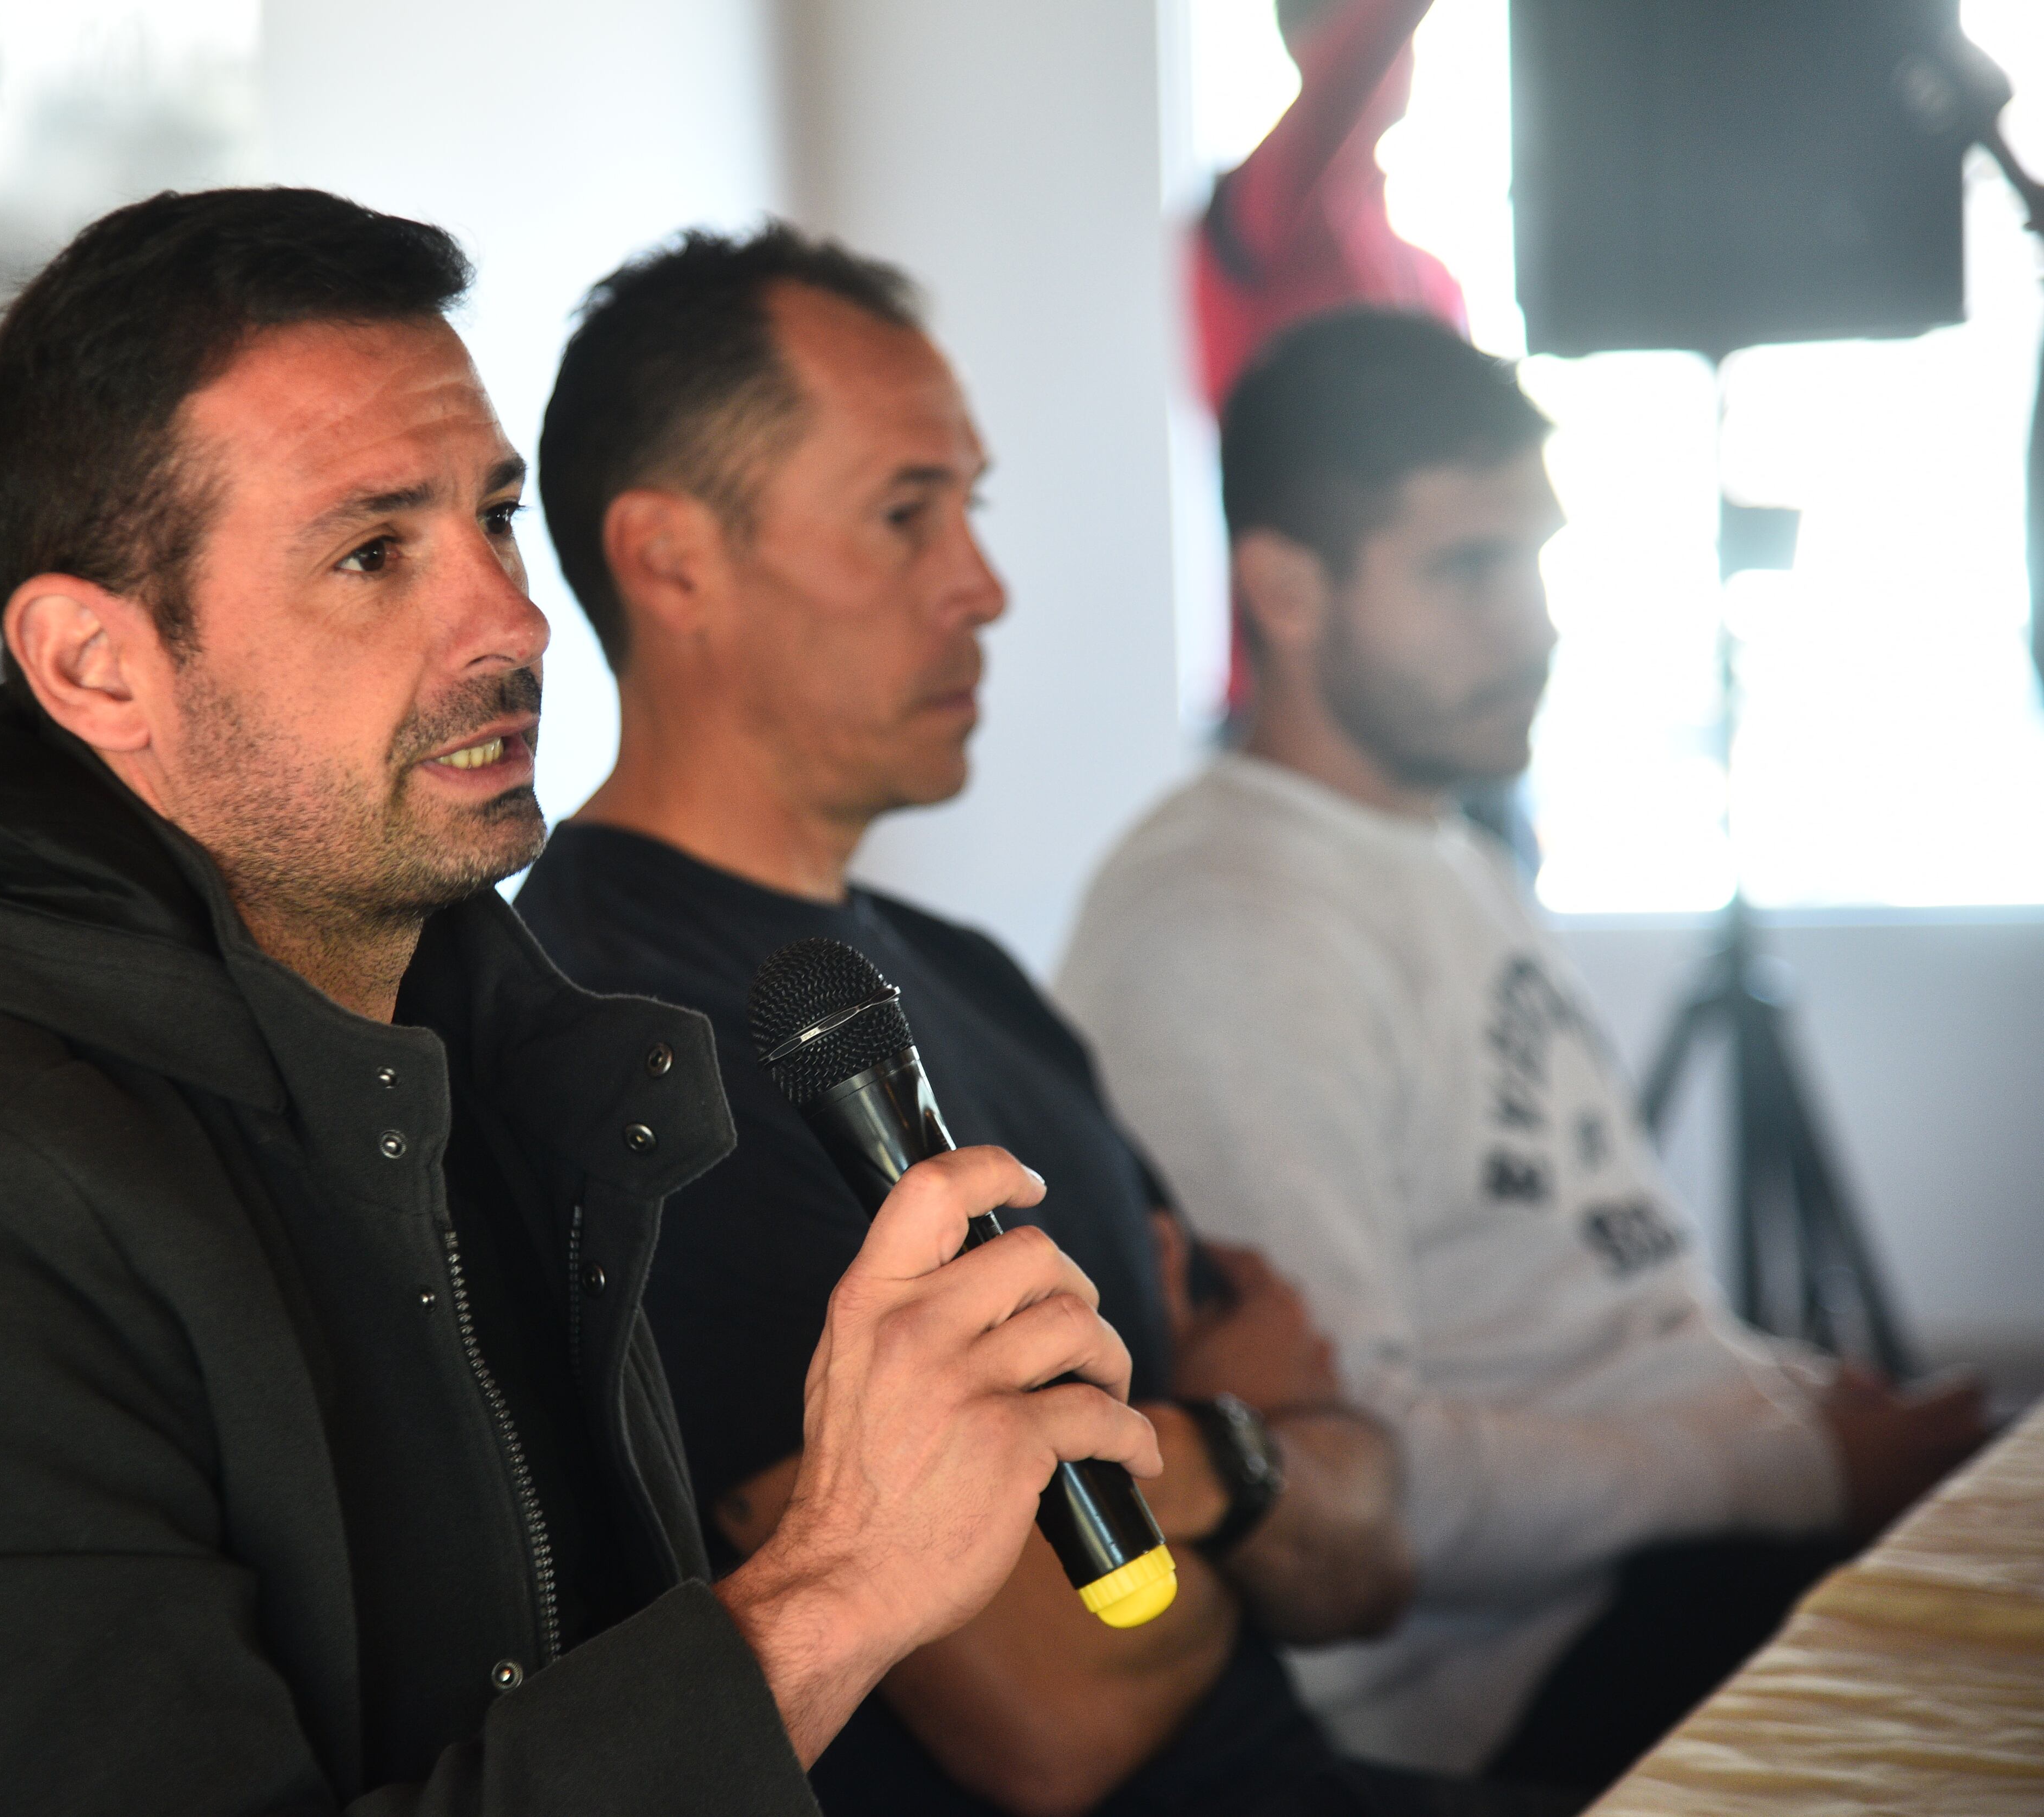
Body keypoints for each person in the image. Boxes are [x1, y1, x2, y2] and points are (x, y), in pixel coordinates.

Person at [0, 186, 1171, 1816]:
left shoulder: (487, 1049)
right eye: (374, 553)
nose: (513, 622)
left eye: (495, 519)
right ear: (95, 667)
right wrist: (834, 1591)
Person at [517, 228, 1572, 1817]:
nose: (984, 583)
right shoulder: (620, 1038)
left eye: (973, 504)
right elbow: (1060, 1708)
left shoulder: (965, 972)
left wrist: (1191, 1461)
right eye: (904, 513)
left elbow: (1370, 1563)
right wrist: (1246, 1449)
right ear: (671, 561)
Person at [1056, 309, 1993, 1792]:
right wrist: (1799, 1463)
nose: (1537, 621)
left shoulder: (1431, 837)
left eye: (1539, 558)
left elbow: (1598, 1294)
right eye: (1469, 568)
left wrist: (1793, 1401)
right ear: (1286, 590)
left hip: (1653, 1561)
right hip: (1502, 1679)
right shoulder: (1227, 926)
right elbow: (1359, 1478)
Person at [1194, 0, 1466, 733]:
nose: (1398, 54)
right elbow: (1348, 74)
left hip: (1437, 686)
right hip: (1300, 703)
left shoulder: (1429, 278)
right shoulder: (1260, 212)